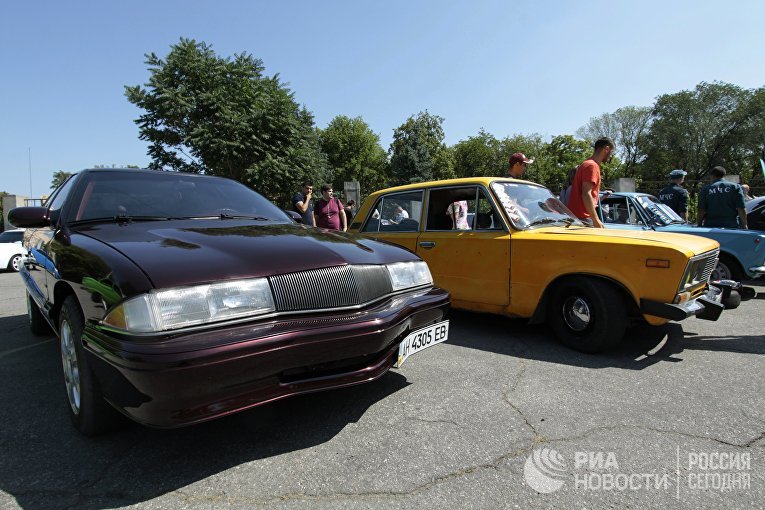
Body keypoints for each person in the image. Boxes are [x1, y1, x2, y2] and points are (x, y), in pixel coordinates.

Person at [567, 136, 615, 228]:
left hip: (580, 218)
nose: (611, 156)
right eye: (611, 152)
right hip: (584, 219)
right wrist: (595, 219)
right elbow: (586, 193)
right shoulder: (591, 166)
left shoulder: (587, 163)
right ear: (607, 149)